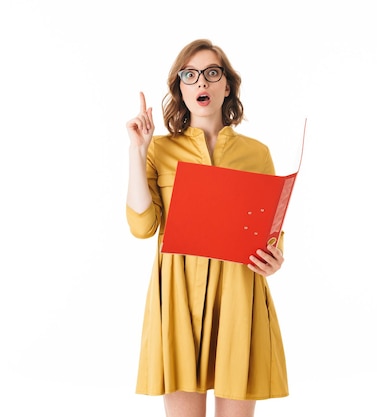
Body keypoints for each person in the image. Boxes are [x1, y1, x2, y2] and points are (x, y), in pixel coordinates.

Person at [125, 39, 288, 417]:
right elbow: (142, 226)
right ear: (180, 88)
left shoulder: (256, 153)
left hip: (238, 292)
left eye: (212, 73)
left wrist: (275, 258)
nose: (202, 82)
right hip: (178, 295)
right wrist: (137, 150)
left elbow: (272, 232)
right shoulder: (159, 150)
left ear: (226, 85)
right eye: (190, 75)